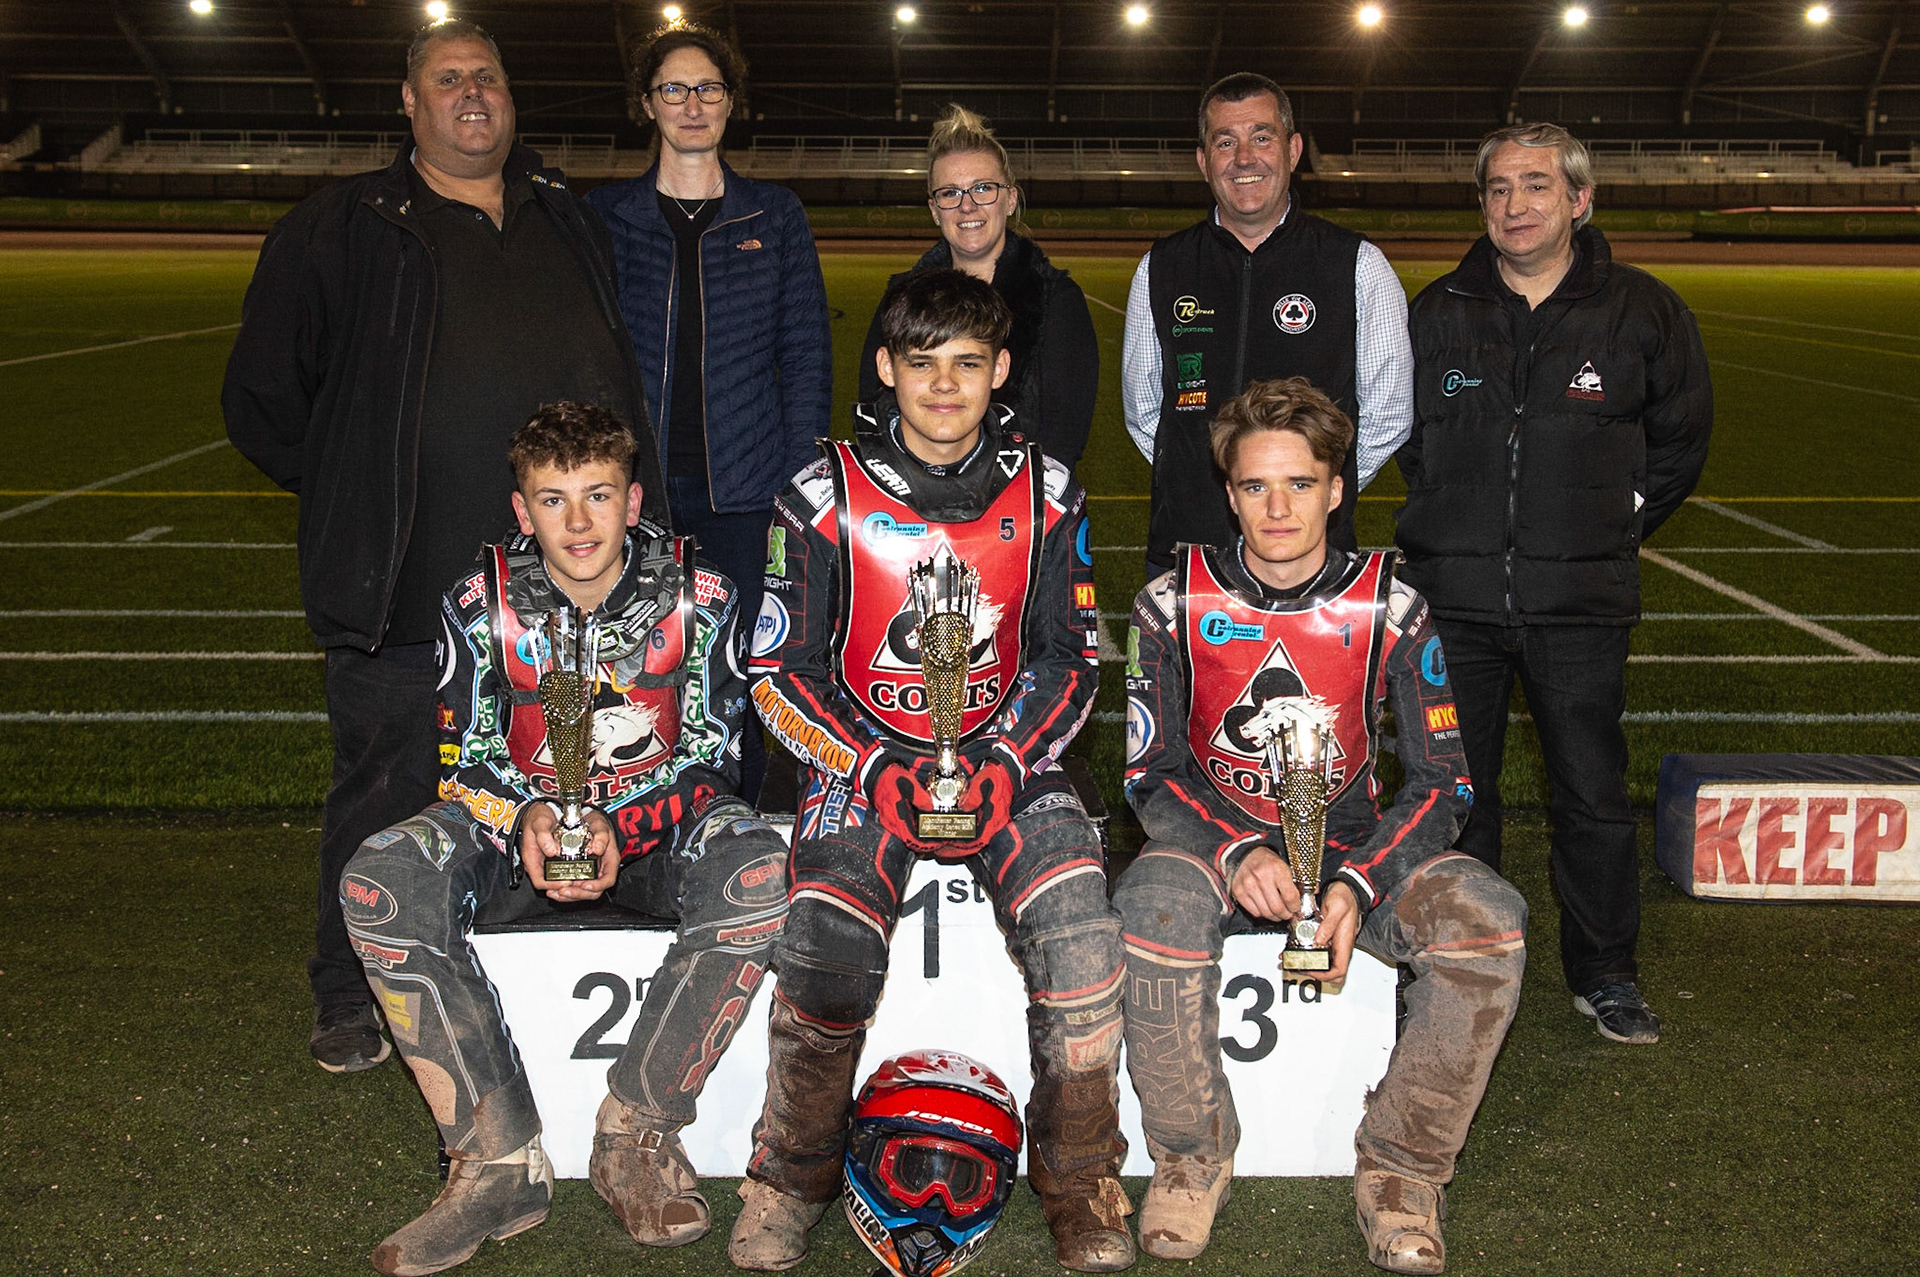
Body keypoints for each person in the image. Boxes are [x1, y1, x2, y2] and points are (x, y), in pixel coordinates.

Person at [222, 19, 665, 1075]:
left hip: (563, 589)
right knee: (385, 789)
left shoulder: (567, 214)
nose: (474, 95)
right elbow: (262, 403)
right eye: (448, 79)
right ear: (409, 105)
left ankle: (521, 969)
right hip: (406, 585)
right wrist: (356, 487)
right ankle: (349, 988)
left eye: (490, 78)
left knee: (561, 773)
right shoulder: (341, 227)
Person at [732, 270, 1131, 1273]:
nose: (945, 386)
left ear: (1001, 369)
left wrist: (1001, 758)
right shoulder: (819, 495)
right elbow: (779, 671)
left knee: (1081, 937)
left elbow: (1071, 658)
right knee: (824, 946)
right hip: (863, 760)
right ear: (886, 368)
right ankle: (790, 1173)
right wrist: (871, 765)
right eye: (922, 363)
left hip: (1008, 759)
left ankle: (1080, 1177)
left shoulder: (1047, 492)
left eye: (967, 363)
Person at [342, 402, 788, 1277]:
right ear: (520, 509)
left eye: (597, 495)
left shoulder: (703, 597)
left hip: (657, 830)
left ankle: (636, 1133)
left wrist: (623, 823)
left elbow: (715, 759)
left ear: (634, 500)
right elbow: (462, 759)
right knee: (380, 879)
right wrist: (527, 819)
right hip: (520, 834)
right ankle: (496, 1161)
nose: (577, 522)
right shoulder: (479, 603)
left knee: (758, 867)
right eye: (553, 500)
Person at [1115, 377, 1526, 1274]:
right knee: (1148, 911)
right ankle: (1190, 1156)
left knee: (1487, 922)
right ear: (1228, 491)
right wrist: (1233, 850)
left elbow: (1444, 783)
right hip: (1215, 849)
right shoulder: (1170, 602)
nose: (1278, 507)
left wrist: (1355, 881)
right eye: (1256, 485)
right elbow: (1149, 776)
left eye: (1300, 484)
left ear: (1338, 488)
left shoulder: (1392, 605)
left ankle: (1402, 1170)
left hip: (1350, 853)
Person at [1395, 122, 1712, 1046]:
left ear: (1580, 199)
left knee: (1589, 791)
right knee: (1454, 793)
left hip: (1580, 603)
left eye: (1536, 186)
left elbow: (1681, 440)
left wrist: (1608, 519)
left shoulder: (1643, 312)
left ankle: (1605, 973)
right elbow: (1401, 435)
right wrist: (1460, 514)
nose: (1514, 206)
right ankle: (1456, 964)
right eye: (1498, 189)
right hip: (1453, 599)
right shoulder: (1438, 308)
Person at [588, 22, 833, 803]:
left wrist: (793, 487)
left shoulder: (774, 214)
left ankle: (749, 844)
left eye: (709, 89)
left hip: (746, 498)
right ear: (647, 105)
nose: (692, 104)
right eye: (674, 89)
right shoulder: (606, 217)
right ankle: (650, 838)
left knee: (747, 684)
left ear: (731, 103)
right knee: (642, 682)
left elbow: (805, 357)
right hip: (642, 499)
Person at [1122, 71, 1412, 577]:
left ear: (1293, 149)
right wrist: (1210, 481)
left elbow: (1390, 413)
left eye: (1261, 137)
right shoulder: (1161, 266)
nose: (1244, 158)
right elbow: (1146, 414)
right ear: (1202, 160)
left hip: (1313, 558)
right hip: (1187, 554)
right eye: (1224, 142)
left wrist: (1307, 491)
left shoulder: (1357, 264)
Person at [857, 104, 1099, 471]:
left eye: (983, 188)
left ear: (1011, 198)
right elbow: (874, 410)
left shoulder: (1056, 299)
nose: (967, 206)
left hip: (1021, 507)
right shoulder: (901, 298)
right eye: (950, 193)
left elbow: (1063, 439)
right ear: (934, 209)